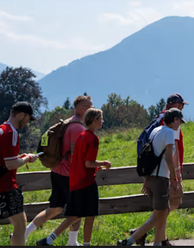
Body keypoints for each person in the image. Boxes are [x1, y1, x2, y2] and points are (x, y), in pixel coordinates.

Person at [38, 108, 113, 246]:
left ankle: (48, 240)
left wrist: (95, 166)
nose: (102, 121)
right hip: (87, 182)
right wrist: (103, 163)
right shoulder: (93, 138)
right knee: (90, 215)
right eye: (101, 119)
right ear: (95, 120)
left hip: (75, 181)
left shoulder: (82, 135)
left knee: (75, 214)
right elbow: (88, 162)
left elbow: (80, 160)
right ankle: (86, 244)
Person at [27, 95, 92, 245]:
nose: (93, 109)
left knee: (55, 208)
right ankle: (68, 241)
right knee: (78, 209)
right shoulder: (79, 129)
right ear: (83, 109)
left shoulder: (67, 124)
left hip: (57, 172)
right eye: (90, 107)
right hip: (71, 176)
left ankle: (24, 233)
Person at [124, 93, 188, 246]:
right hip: (164, 175)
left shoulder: (158, 125)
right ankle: (138, 235)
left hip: (153, 173)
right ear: (175, 107)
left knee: (163, 209)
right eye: (181, 105)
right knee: (168, 207)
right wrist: (176, 177)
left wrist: (147, 176)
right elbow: (172, 154)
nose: (182, 107)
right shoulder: (171, 129)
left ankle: (160, 239)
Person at [1, 102, 39, 246]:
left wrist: (21, 157)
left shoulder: (1, 129)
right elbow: (10, 164)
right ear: (21, 115)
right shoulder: (12, 133)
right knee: (20, 225)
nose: (27, 123)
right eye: (27, 119)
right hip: (6, 186)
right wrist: (28, 158)